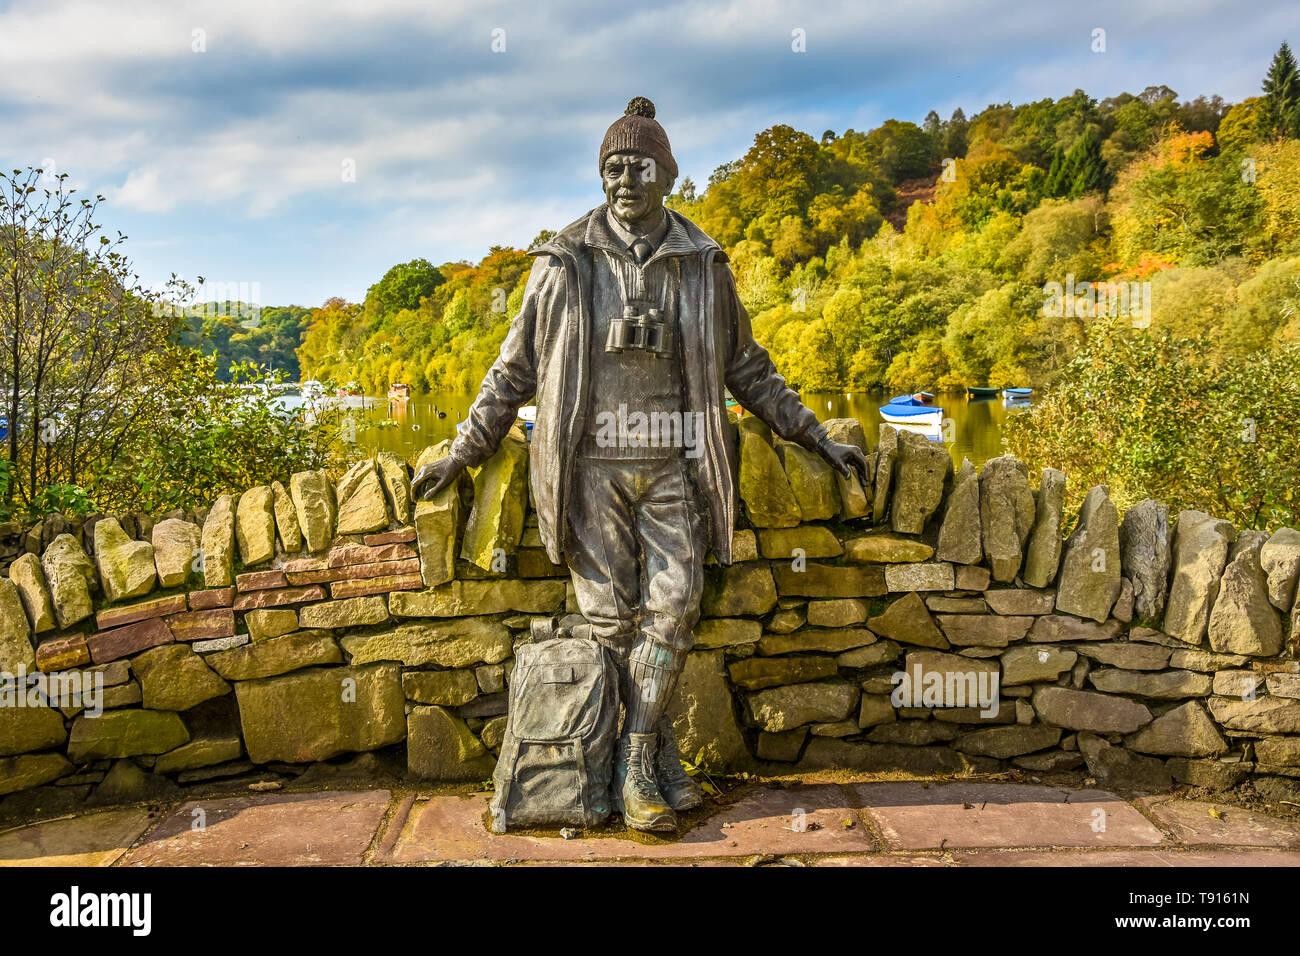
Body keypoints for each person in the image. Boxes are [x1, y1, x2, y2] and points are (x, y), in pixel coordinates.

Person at [413, 96, 868, 831]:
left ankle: (638, 751)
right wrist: (465, 450)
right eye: (612, 167)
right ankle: (637, 766)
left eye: (640, 165)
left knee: (676, 606)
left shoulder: (701, 261)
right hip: (590, 468)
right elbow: (514, 370)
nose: (625, 179)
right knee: (610, 621)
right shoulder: (565, 261)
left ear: (668, 174)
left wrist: (817, 437)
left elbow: (748, 367)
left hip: (672, 464)